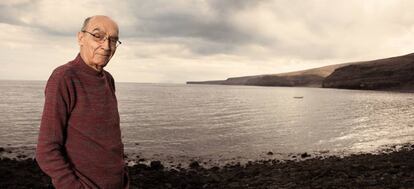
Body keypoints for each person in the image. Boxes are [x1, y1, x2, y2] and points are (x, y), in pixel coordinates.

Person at [36, 15, 129, 189]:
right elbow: (46, 150)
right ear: (81, 38)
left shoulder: (108, 79)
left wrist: (123, 177)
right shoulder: (64, 77)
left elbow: (110, 140)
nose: (107, 46)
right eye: (97, 36)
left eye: (113, 40)